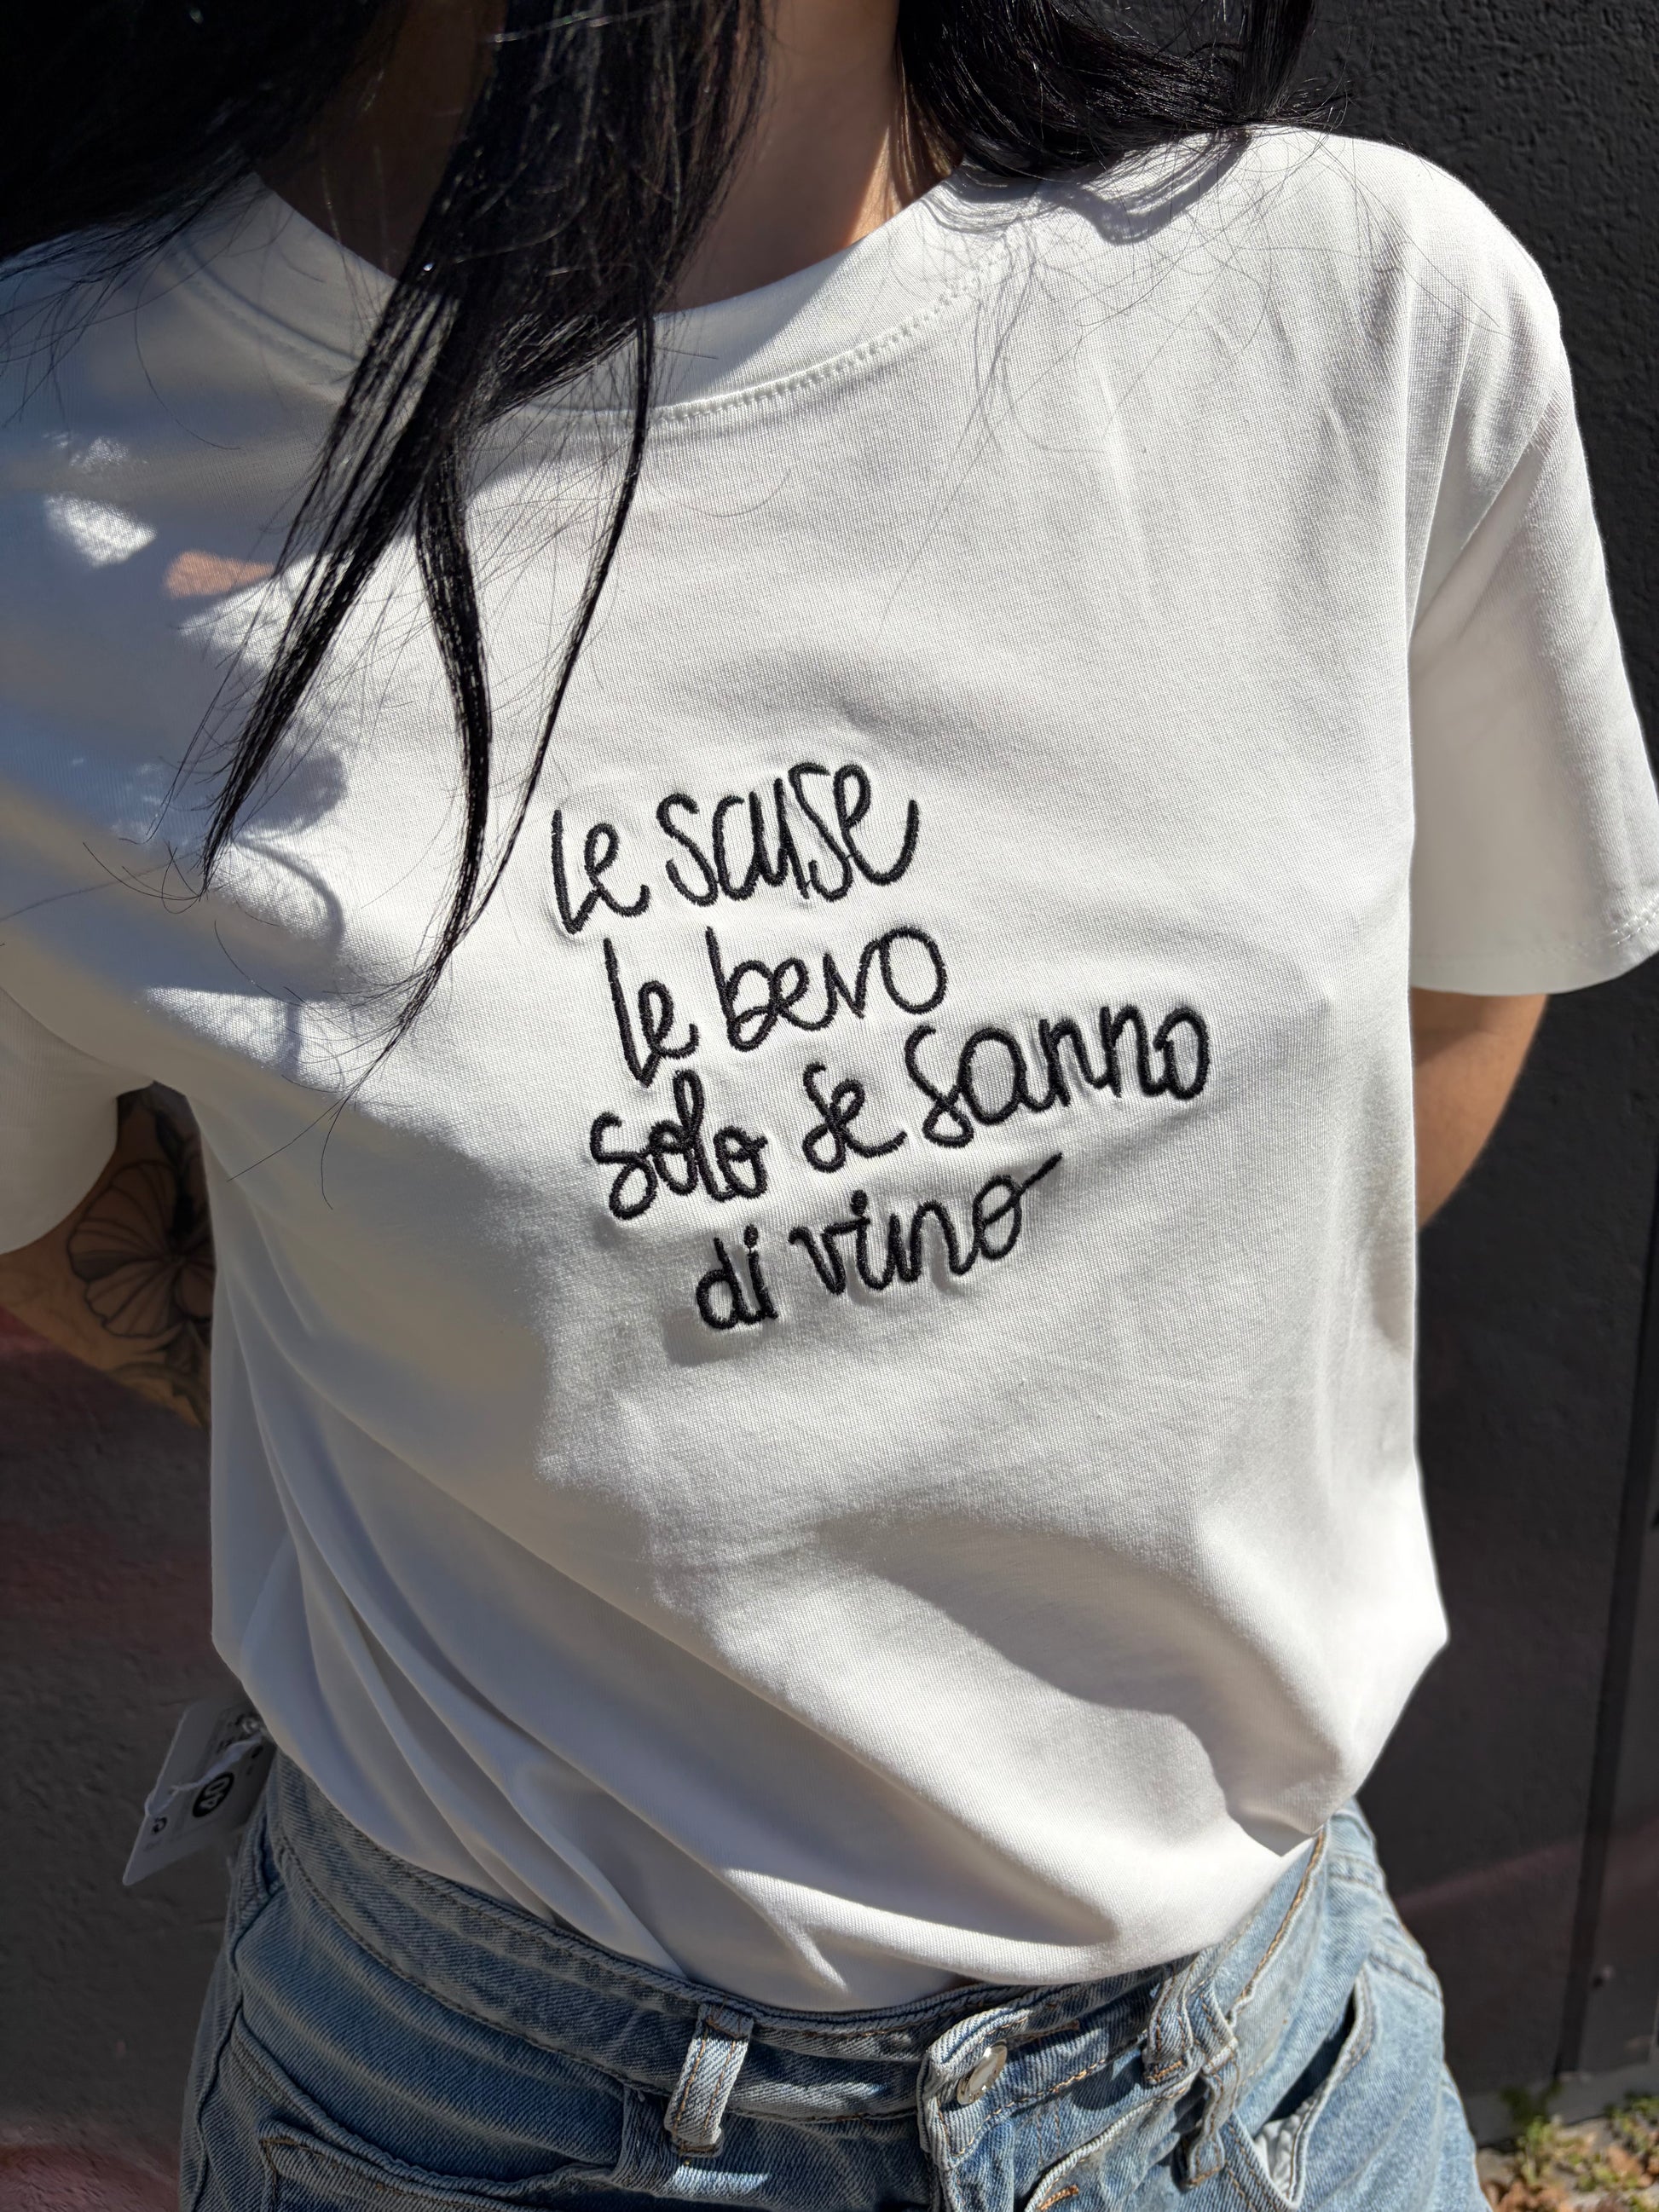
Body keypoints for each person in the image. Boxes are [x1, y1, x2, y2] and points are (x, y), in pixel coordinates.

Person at [2, 0, 1655, 2203]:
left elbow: (1442, 1010)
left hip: (1265, 2084)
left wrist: (919, 1334)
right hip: (491, 2116)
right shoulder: (56, 488)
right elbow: (37, 1212)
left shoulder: (1356, 308)